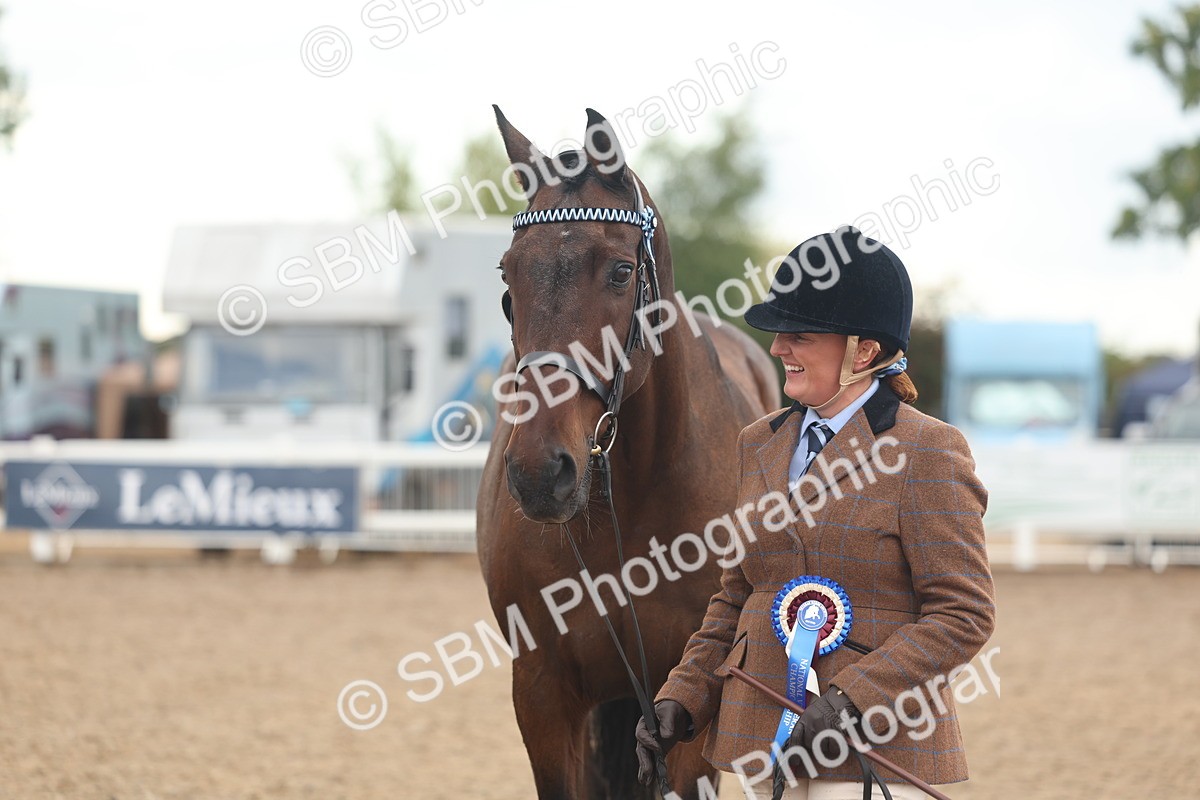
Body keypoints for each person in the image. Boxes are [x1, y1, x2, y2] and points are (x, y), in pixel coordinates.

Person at [634, 227, 996, 800]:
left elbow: (963, 613)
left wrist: (852, 699)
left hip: (876, 744)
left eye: (798, 336)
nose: (778, 349)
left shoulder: (927, 450)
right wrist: (683, 695)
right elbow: (738, 594)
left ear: (864, 351)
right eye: (780, 335)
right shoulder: (759, 443)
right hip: (761, 734)